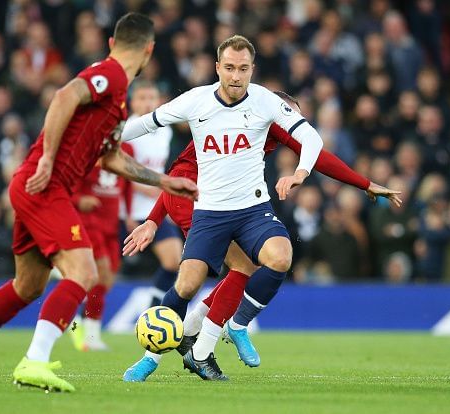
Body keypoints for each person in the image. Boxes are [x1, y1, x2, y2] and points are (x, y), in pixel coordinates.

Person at [0, 13, 198, 393]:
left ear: (111, 42)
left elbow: (111, 159)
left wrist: (164, 181)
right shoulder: (112, 75)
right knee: (85, 273)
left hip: (36, 187)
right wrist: (46, 157)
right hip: (46, 185)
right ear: (149, 50)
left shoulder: (118, 99)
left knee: (28, 286)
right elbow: (64, 95)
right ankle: (34, 361)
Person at [122, 92, 401, 382]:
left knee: (244, 267)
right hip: (193, 196)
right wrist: (153, 220)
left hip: (217, 199)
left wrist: (365, 184)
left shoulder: (269, 127)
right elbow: (180, 173)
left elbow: (315, 154)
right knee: (197, 279)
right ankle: (160, 356)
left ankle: (194, 340)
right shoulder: (250, 117)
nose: (292, 123)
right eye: (290, 115)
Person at [121, 34, 325, 381]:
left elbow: (312, 138)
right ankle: (157, 357)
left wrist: (300, 173)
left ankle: (212, 341)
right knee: (187, 285)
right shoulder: (198, 102)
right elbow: (150, 128)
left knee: (265, 260)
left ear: (252, 70)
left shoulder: (264, 106)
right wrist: (103, 138)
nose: (235, 75)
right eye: (229, 68)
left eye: (242, 69)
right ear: (217, 68)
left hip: (248, 208)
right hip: (204, 208)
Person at [70, 142, 134, 351]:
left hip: (112, 225)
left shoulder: (127, 150)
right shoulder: (87, 149)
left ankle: (79, 319)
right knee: (101, 275)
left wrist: (129, 214)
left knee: (108, 280)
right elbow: (68, 188)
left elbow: (128, 184)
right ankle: (91, 334)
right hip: (89, 223)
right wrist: (80, 200)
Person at [126, 81, 184, 307]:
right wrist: (151, 187)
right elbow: (119, 174)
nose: (148, 102)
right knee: (104, 272)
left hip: (152, 211)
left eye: (152, 97)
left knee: (173, 261)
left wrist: (165, 201)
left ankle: (152, 311)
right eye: (142, 98)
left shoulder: (165, 132)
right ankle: (84, 318)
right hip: (126, 212)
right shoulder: (126, 131)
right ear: (132, 102)